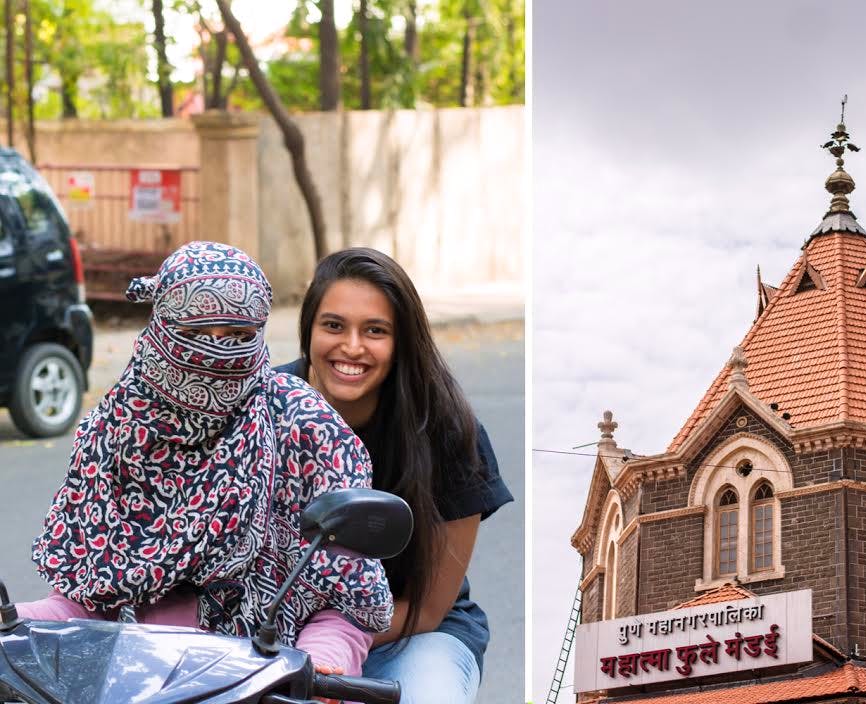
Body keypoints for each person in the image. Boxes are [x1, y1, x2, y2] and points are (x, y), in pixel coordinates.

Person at [21, 241, 392, 682]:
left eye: (237, 338)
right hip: (126, 677)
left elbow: (345, 602)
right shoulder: (117, 430)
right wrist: (21, 621)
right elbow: (83, 601)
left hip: (265, 677)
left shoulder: (307, 429)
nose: (218, 355)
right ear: (162, 330)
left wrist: (318, 663)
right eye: (198, 336)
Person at [274, 248, 513, 703]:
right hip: (268, 637)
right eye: (333, 325)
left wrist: (327, 650)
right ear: (308, 329)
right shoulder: (262, 405)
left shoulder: (448, 432)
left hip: (410, 635)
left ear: (401, 341)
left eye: (375, 331)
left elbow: (428, 610)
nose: (352, 347)